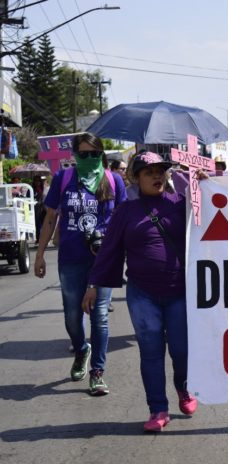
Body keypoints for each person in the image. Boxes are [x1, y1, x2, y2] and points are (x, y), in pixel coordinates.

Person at [82, 151, 200, 432]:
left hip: (179, 291)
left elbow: (214, 218)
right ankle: (158, 408)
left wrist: (203, 187)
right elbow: (109, 251)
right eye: (149, 172)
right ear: (135, 178)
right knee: (151, 352)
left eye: (161, 170)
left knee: (182, 351)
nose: (157, 175)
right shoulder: (125, 212)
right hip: (142, 294)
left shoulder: (182, 204)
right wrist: (93, 286)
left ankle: (184, 388)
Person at [34, 132, 126, 396]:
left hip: (103, 259)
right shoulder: (63, 179)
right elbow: (50, 218)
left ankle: (97, 372)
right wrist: (39, 255)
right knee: (72, 318)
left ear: (101, 155)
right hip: (71, 259)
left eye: (94, 154)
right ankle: (82, 349)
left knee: (99, 318)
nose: (89, 158)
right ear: (75, 155)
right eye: (83, 154)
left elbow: (122, 221)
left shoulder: (114, 180)